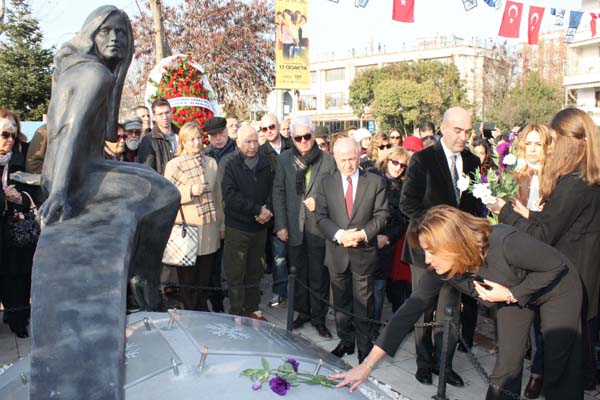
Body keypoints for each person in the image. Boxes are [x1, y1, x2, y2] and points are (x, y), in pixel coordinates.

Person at [331, 205, 584, 400]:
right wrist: (366, 366)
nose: (427, 260)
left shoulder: (506, 243)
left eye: (432, 251)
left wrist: (512, 294)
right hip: (509, 292)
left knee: (559, 366)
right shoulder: (445, 269)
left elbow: (556, 267)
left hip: (557, 287)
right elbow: (408, 311)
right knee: (507, 366)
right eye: (425, 251)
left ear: (453, 242)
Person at [489, 107, 600, 391]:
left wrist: (504, 211)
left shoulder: (575, 182)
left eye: (555, 139)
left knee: (562, 370)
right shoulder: (588, 177)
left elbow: (544, 235)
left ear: (569, 140)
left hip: (570, 282)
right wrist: (529, 215)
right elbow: (566, 224)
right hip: (584, 274)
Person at [399, 106, 482, 387]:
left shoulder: (472, 161)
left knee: (450, 311)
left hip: (457, 254)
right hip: (425, 251)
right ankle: (423, 363)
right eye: (458, 130)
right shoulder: (423, 159)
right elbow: (407, 204)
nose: (463, 137)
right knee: (423, 308)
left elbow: (473, 206)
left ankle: (444, 364)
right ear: (443, 128)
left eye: (467, 131)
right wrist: (440, 230)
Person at [316, 137, 388, 363]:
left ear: (359, 156)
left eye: (352, 159)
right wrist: (340, 235)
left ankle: (364, 347)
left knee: (364, 304)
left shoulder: (375, 181)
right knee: (341, 304)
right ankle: (346, 341)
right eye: (343, 160)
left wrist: (363, 234)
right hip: (337, 254)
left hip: (364, 253)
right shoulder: (326, 183)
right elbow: (321, 217)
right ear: (335, 159)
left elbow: (382, 215)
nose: (348, 164)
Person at [272, 115, 337, 337]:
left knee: (319, 275)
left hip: (319, 227)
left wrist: (319, 202)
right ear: (292, 138)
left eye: (307, 136)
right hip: (294, 227)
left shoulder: (327, 161)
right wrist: (280, 225)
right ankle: (303, 313)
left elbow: (335, 192)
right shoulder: (284, 160)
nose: (303, 141)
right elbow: (278, 192)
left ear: (313, 135)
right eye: (298, 138)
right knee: (297, 273)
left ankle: (319, 318)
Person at [510, 123, 552, 399]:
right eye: (529, 144)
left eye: (539, 144)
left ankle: (537, 373)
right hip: (517, 251)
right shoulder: (514, 174)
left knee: (541, 320)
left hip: (546, 252)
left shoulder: (557, 178)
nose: (533, 150)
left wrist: (530, 214)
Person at [164, 122, 224, 311]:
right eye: (191, 139)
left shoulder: (211, 163)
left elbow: (218, 196)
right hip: (186, 231)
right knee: (187, 282)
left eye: (198, 138)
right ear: (183, 142)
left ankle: (201, 311)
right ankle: (191, 313)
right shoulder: (174, 165)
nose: (196, 142)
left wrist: (221, 225)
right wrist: (189, 191)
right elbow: (167, 196)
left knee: (204, 279)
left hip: (209, 229)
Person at [221, 126, 274, 320]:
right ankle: (236, 312)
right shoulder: (231, 165)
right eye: (247, 142)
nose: (252, 146)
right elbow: (230, 196)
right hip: (238, 227)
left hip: (259, 227)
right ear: (238, 143)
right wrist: (256, 209)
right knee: (236, 273)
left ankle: (253, 309)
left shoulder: (266, 163)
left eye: (255, 141)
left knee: (255, 271)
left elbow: (273, 189)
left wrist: (267, 210)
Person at [0, 116, 34, 338]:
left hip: (14, 230)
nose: (10, 140)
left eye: (13, 135)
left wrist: (20, 198)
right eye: (5, 135)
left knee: (17, 279)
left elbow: (35, 191)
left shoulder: (21, 158)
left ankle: (19, 321)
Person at [368, 147, 409, 332]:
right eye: (395, 162)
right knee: (362, 287)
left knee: (378, 287)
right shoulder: (370, 175)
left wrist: (388, 237)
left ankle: (374, 326)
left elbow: (403, 220)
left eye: (403, 165)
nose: (398, 167)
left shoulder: (405, 187)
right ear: (387, 160)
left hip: (385, 245)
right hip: (365, 238)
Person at [258, 113, 292, 308]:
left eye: (272, 126)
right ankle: (280, 292)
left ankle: (299, 295)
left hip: (296, 210)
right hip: (274, 213)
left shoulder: (293, 145)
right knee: (279, 257)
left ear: (278, 126)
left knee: (297, 257)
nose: (269, 131)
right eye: (265, 128)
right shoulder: (260, 152)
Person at [204, 116, 237, 312]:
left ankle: (237, 301)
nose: (218, 138)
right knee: (214, 263)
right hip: (214, 215)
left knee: (234, 261)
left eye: (221, 134)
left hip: (234, 214)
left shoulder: (237, 152)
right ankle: (216, 302)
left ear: (226, 132)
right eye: (213, 135)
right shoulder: (205, 155)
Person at [138, 97, 178, 175]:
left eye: (167, 112)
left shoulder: (181, 134)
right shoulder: (149, 141)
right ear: (154, 116)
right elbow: (148, 172)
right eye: (160, 114)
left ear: (171, 112)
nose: (165, 117)